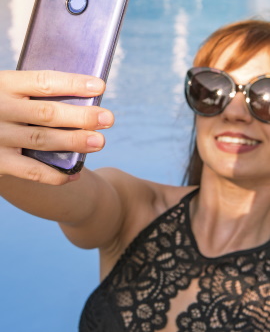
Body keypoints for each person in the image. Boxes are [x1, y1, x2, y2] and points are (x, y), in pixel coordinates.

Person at [1, 19, 270, 332]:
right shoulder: (134, 208)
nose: (234, 112)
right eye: (213, 88)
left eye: (265, 95)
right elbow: (53, 186)